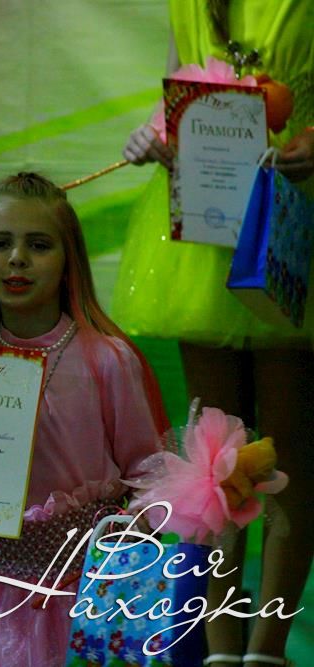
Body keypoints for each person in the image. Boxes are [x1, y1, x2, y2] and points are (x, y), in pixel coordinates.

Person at [0, 172, 169, 666]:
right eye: (0, 243)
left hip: (85, 599)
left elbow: (151, 473)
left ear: (68, 264)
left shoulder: (107, 359)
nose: (17, 258)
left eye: (39, 245)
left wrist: (129, 531)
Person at [115, 2, 313, 666]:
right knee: (214, 450)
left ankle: (267, 651)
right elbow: (175, 91)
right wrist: (154, 135)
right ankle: (220, 650)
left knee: (286, 443)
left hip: (294, 210)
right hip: (206, 217)